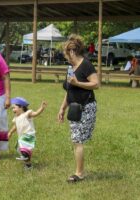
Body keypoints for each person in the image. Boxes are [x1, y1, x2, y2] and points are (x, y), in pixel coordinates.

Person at [57, 34, 99, 183]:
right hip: (74, 108)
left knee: (77, 139)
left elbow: (96, 84)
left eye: (66, 53)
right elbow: (69, 90)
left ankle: (79, 173)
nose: (66, 57)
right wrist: (62, 108)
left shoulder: (86, 65)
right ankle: (79, 171)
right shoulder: (70, 68)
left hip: (86, 107)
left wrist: (78, 83)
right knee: (76, 140)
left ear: (72, 52)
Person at [8, 97, 47, 170]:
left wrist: (41, 108)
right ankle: (28, 165)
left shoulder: (27, 114)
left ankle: (26, 155)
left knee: (24, 151)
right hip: (21, 137)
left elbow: (35, 114)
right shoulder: (16, 117)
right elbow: (15, 126)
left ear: (21, 107)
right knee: (21, 151)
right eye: (12, 108)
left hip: (29, 135)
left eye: (14, 108)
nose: (13, 110)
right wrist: (10, 132)